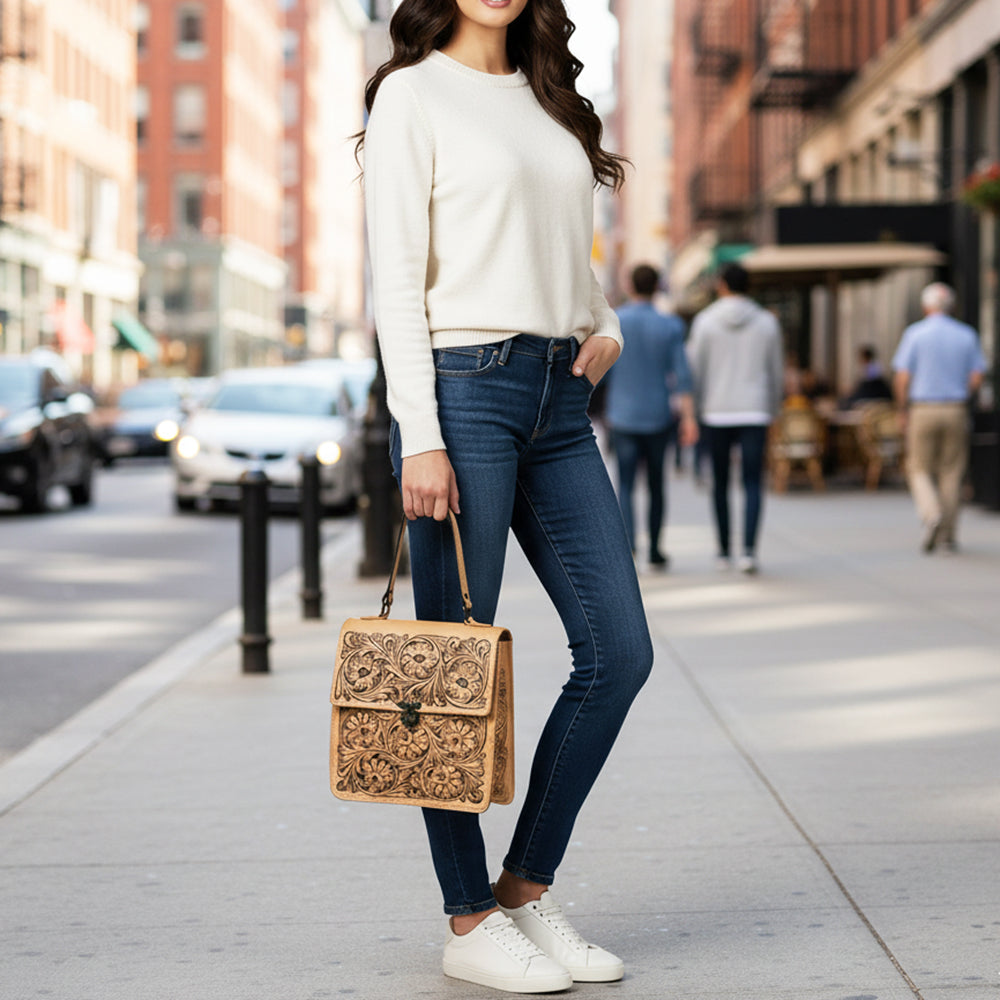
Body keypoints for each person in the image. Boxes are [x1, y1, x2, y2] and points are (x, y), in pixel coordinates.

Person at [360, 0, 652, 992]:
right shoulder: (410, 95)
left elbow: (569, 251)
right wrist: (422, 435)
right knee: (449, 668)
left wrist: (603, 320)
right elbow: (396, 280)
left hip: (560, 400)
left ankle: (524, 888)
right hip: (462, 392)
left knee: (619, 650)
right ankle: (467, 914)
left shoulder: (553, 102)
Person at [686, 263, 784, 574]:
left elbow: (694, 369)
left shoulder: (705, 322)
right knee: (754, 481)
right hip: (755, 409)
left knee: (720, 483)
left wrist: (697, 408)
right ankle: (750, 552)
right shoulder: (767, 322)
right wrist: (774, 409)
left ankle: (724, 551)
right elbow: (776, 371)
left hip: (716, 411)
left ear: (721, 285)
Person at [605, 263, 698, 568]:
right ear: (657, 287)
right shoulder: (670, 325)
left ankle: (630, 546)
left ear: (631, 286)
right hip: (658, 415)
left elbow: (601, 373)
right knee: (657, 486)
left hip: (623, 415)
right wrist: (688, 418)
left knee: (627, 485)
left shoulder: (616, 321)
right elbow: (682, 376)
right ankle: (656, 549)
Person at [892, 282, 986, 553]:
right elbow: (977, 376)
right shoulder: (966, 335)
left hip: (923, 407)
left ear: (925, 307)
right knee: (952, 471)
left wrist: (902, 409)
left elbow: (902, 377)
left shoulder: (915, 334)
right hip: (955, 407)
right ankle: (947, 535)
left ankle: (931, 512)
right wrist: (960, 393)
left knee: (918, 467)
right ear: (951, 307)